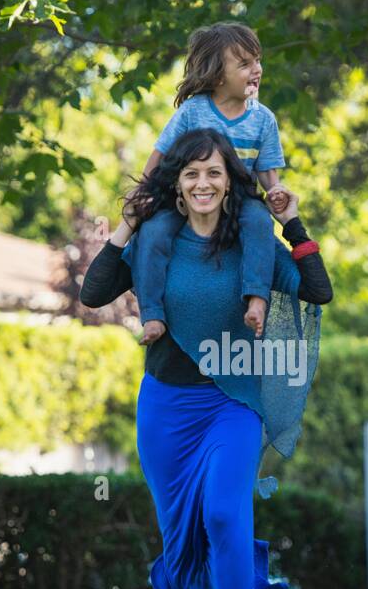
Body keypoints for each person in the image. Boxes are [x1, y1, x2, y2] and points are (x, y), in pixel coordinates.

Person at [80, 128, 332, 589]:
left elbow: (317, 290)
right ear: (177, 184)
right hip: (167, 407)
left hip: (234, 403)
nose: (203, 183)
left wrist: (291, 221)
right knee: (180, 532)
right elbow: (94, 291)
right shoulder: (157, 242)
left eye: (214, 173)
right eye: (192, 173)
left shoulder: (252, 244)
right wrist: (128, 220)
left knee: (222, 511)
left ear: (228, 182)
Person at [125, 22, 291, 346]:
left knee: (259, 221)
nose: (256, 69)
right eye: (244, 64)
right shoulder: (193, 112)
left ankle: (257, 299)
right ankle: (152, 315)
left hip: (239, 199)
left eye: (257, 60)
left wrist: (277, 194)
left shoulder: (263, 119)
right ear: (218, 76)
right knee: (154, 231)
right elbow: (159, 155)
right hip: (188, 199)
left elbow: (269, 175)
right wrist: (144, 193)